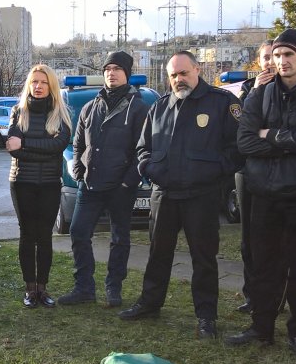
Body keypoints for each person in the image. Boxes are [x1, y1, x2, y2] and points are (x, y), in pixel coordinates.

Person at [225, 29, 296, 358]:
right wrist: (289, 141)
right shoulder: (259, 95)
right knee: (263, 265)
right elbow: (244, 142)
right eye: (277, 55)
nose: (281, 61)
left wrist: (269, 134)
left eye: (288, 55)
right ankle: (261, 327)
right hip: (263, 195)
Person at [119, 51, 243, 340]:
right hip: (165, 194)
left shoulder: (221, 103)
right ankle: (150, 303)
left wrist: (213, 173)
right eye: (173, 75)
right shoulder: (160, 107)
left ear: (197, 70)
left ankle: (206, 316)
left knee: (204, 258)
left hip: (202, 195)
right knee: (158, 252)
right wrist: (148, 167)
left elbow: (237, 148)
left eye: (183, 73)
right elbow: (143, 147)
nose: (178, 79)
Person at [57, 51, 148, 308]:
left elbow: (144, 149)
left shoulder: (138, 107)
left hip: (121, 188)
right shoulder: (90, 106)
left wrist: (128, 182)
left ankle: (113, 288)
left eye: (117, 68)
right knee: (78, 232)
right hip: (91, 185)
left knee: (120, 239)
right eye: (108, 68)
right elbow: (77, 144)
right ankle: (84, 287)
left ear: (126, 74)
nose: (111, 73)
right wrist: (78, 171)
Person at [5, 64, 72, 308]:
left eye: (43, 82)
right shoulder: (17, 111)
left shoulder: (61, 113)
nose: (38, 86)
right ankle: (29, 289)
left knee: (44, 237)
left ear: (51, 85)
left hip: (50, 185)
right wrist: (42, 147)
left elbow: (58, 147)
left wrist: (26, 145)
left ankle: (42, 289)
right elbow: (13, 148)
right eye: (34, 81)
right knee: (27, 235)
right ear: (29, 85)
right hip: (21, 182)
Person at [234, 39, 275, 314]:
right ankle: (252, 295)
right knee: (248, 236)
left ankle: (276, 295)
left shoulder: (292, 90)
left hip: (277, 170)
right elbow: (241, 129)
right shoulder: (248, 90)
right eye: (266, 57)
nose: (271, 62)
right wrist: (257, 92)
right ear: (258, 62)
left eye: (276, 56)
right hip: (247, 169)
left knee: (274, 236)